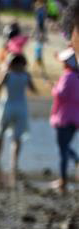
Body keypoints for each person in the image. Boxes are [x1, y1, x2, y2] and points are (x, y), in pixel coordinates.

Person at [0, 53, 37, 187]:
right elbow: (33, 89)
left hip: (7, 106)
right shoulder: (25, 75)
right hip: (21, 107)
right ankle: (13, 163)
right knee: (17, 138)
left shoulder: (7, 74)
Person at [49, 48, 79, 192]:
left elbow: (61, 94)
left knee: (63, 148)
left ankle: (63, 180)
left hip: (64, 117)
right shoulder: (77, 77)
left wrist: (53, 88)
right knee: (65, 146)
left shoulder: (68, 76)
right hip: (76, 118)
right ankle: (72, 165)